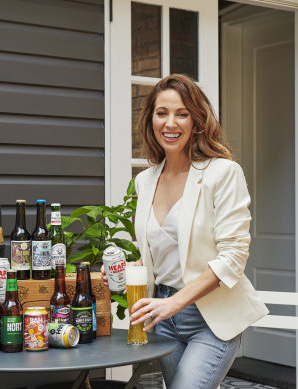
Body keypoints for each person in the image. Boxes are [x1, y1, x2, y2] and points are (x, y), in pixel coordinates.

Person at [102, 74, 268, 389]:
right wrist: (130, 268)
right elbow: (161, 251)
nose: (171, 123)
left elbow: (233, 257)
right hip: (162, 317)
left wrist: (176, 303)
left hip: (211, 317)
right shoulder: (145, 180)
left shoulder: (222, 173)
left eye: (182, 113)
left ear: (197, 120)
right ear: (150, 118)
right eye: (161, 112)